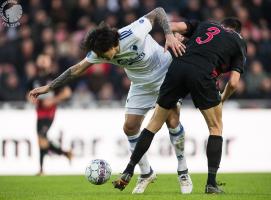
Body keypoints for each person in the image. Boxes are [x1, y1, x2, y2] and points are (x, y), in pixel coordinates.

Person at [28, 7, 193, 194]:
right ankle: (146, 173)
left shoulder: (133, 32)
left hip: (164, 75)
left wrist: (169, 35)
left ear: (115, 43)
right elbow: (76, 69)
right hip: (140, 85)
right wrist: (49, 87)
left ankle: (183, 170)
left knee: (172, 121)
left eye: (107, 54)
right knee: (129, 127)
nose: (106, 58)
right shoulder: (100, 51)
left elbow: (159, 12)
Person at [113, 17, 247, 194]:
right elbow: (234, 82)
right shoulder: (239, 41)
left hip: (178, 66)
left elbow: (171, 25)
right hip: (202, 73)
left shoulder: (207, 24)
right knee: (215, 128)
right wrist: (222, 99)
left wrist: (172, 37)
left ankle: (128, 170)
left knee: (154, 124)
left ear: (222, 25)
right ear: (238, 31)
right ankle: (211, 184)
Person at [27, 54, 72, 175]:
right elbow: (28, 94)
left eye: (44, 60)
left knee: (42, 137)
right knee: (41, 140)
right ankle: (64, 153)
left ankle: (42, 170)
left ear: (49, 63)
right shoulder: (34, 79)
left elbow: (67, 92)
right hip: (39, 113)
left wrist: (53, 100)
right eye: (40, 60)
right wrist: (31, 99)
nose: (42, 62)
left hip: (49, 112)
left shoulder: (54, 77)